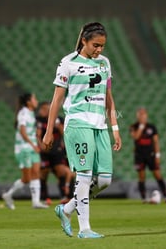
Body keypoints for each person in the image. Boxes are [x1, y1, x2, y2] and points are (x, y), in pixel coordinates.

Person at [43, 22, 122, 239]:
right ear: (84, 41)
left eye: (102, 46)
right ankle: (84, 229)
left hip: (99, 125)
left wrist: (114, 128)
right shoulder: (68, 63)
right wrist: (49, 131)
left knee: (104, 180)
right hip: (78, 123)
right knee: (85, 176)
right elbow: (57, 99)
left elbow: (109, 98)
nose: (99, 50)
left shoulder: (105, 63)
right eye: (95, 45)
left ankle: (66, 209)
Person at [2, 93, 48, 210]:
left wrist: (37, 142)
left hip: (32, 147)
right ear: (28, 102)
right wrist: (33, 145)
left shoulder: (31, 114)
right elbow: (22, 132)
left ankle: (36, 202)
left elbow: (31, 131)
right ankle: (8, 195)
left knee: (36, 173)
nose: (36, 101)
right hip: (24, 148)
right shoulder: (23, 113)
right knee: (27, 178)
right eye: (34, 99)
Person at [36, 101, 74, 204]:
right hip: (44, 152)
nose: (42, 111)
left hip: (57, 151)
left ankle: (65, 196)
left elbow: (64, 133)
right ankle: (44, 198)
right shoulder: (38, 120)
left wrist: (63, 143)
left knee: (62, 172)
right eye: (42, 109)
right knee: (43, 173)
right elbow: (37, 135)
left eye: (45, 109)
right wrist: (41, 145)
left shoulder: (59, 119)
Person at [130, 107, 166, 203]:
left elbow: (156, 142)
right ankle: (143, 198)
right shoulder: (133, 127)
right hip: (139, 156)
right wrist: (141, 127)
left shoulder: (152, 127)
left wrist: (157, 155)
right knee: (142, 176)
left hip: (151, 155)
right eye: (140, 114)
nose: (142, 116)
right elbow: (135, 137)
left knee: (158, 175)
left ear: (146, 115)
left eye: (144, 114)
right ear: (137, 116)